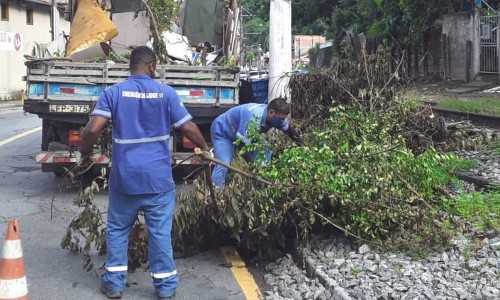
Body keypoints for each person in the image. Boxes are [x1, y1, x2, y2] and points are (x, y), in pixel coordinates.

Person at [80, 46, 209, 300]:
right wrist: (204, 148)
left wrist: (85, 152)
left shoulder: (113, 93)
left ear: (132, 66)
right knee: (159, 231)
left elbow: (93, 129)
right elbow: (189, 128)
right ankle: (165, 287)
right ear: (152, 67)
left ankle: (114, 284)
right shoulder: (166, 94)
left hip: (125, 179)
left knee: (117, 229)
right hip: (158, 179)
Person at [210, 98, 303, 188]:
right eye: (281, 118)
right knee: (224, 163)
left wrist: (304, 147)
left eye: (284, 119)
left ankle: (261, 185)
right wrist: (254, 167)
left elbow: (290, 131)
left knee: (266, 148)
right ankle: (216, 192)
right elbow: (242, 145)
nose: (282, 121)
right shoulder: (253, 117)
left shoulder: (278, 117)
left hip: (246, 133)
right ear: (271, 112)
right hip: (224, 132)